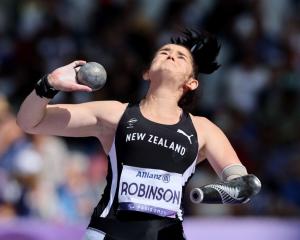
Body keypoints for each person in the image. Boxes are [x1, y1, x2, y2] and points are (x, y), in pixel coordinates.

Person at [17, 30, 261, 240]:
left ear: (192, 82)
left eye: (181, 56)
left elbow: (240, 182)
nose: (171, 55)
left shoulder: (203, 129)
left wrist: (237, 187)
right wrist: (49, 84)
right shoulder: (114, 114)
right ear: (146, 73)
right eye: (164, 51)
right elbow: (30, 121)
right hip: (108, 234)